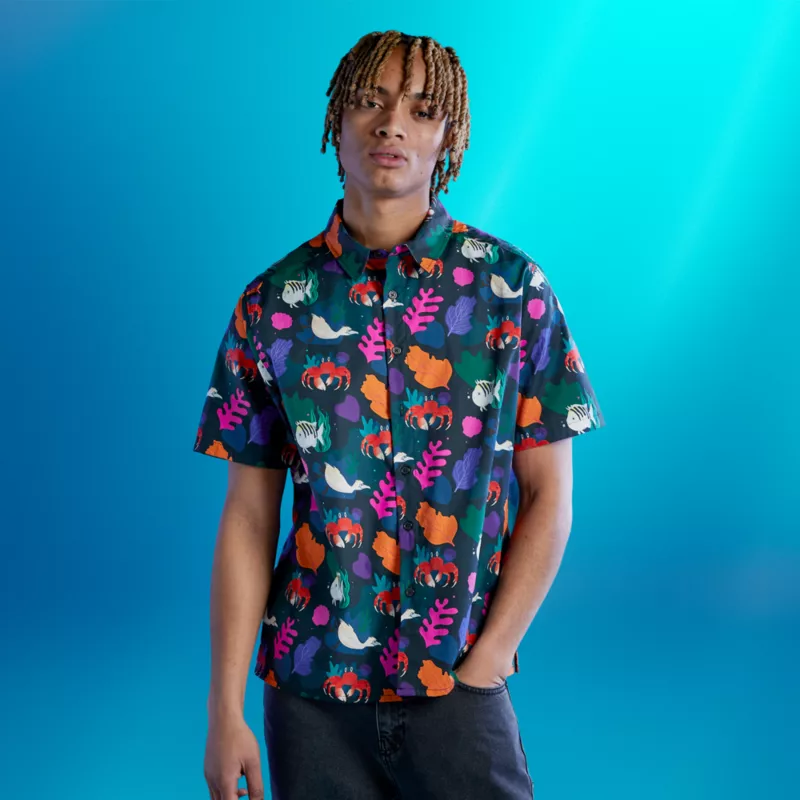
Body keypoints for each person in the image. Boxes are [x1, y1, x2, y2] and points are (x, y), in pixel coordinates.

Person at [194, 29, 606, 800]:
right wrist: (225, 709)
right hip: (311, 692)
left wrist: (491, 657)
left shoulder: (514, 291)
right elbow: (248, 516)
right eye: (370, 102)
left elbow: (550, 495)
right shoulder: (271, 306)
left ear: (450, 136)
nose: (392, 125)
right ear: (336, 122)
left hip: (458, 681)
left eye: (421, 110)